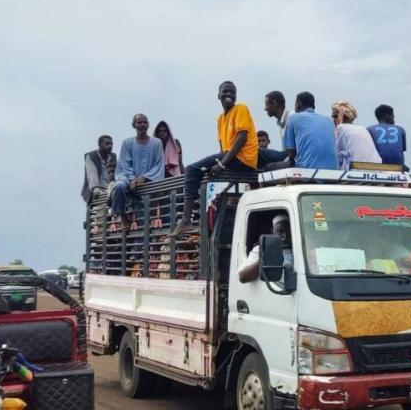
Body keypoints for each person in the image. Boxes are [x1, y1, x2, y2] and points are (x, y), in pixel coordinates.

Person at [171, 81, 258, 235]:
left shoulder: (241, 108)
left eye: (232, 92)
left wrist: (222, 164)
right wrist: (219, 163)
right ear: (218, 95)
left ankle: (186, 220)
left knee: (192, 169)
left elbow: (242, 137)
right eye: (225, 91)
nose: (229, 94)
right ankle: (193, 216)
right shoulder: (220, 119)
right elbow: (222, 147)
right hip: (230, 157)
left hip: (243, 158)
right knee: (204, 171)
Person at [111, 114, 165, 227]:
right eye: (139, 122)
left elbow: (158, 164)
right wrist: (132, 179)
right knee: (119, 186)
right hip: (127, 176)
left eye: (144, 122)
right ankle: (122, 215)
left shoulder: (156, 143)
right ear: (134, 125)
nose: (142, 124)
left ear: (148, 124)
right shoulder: (127, 143)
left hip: (150, 178)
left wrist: (144, 177)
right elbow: (125, 163)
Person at [282, 92, 338, 169]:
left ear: (299, 103)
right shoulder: (328, 120)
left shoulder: (293, 118)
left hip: (307, 169)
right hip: (333, 168)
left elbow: (291, 153)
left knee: (269, 167)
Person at [238, 214, 293, 283]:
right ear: (272, 232)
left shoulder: (297, 248)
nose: (284, 235)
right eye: (280, 231)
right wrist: (266, 259)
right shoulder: (262, 248)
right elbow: (243, 277)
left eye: (288, 231)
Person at [331, 101, 382, 170]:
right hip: (376, 168)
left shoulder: (340, 129)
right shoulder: (362, 129)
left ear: (342, 117)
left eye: (334, 116)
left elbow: (335, 156)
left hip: (356, 170)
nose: (332, 119)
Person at [81, 135, 116, 203]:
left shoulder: (112, 156)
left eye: (111, 144)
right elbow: (92, 177)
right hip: (96, 187)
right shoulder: (91, 156)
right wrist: (97, 190)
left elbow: (115, 175)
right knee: (98, 196)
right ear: (99, 144)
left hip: (110, 187)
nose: (110, 146)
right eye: (107, 144)